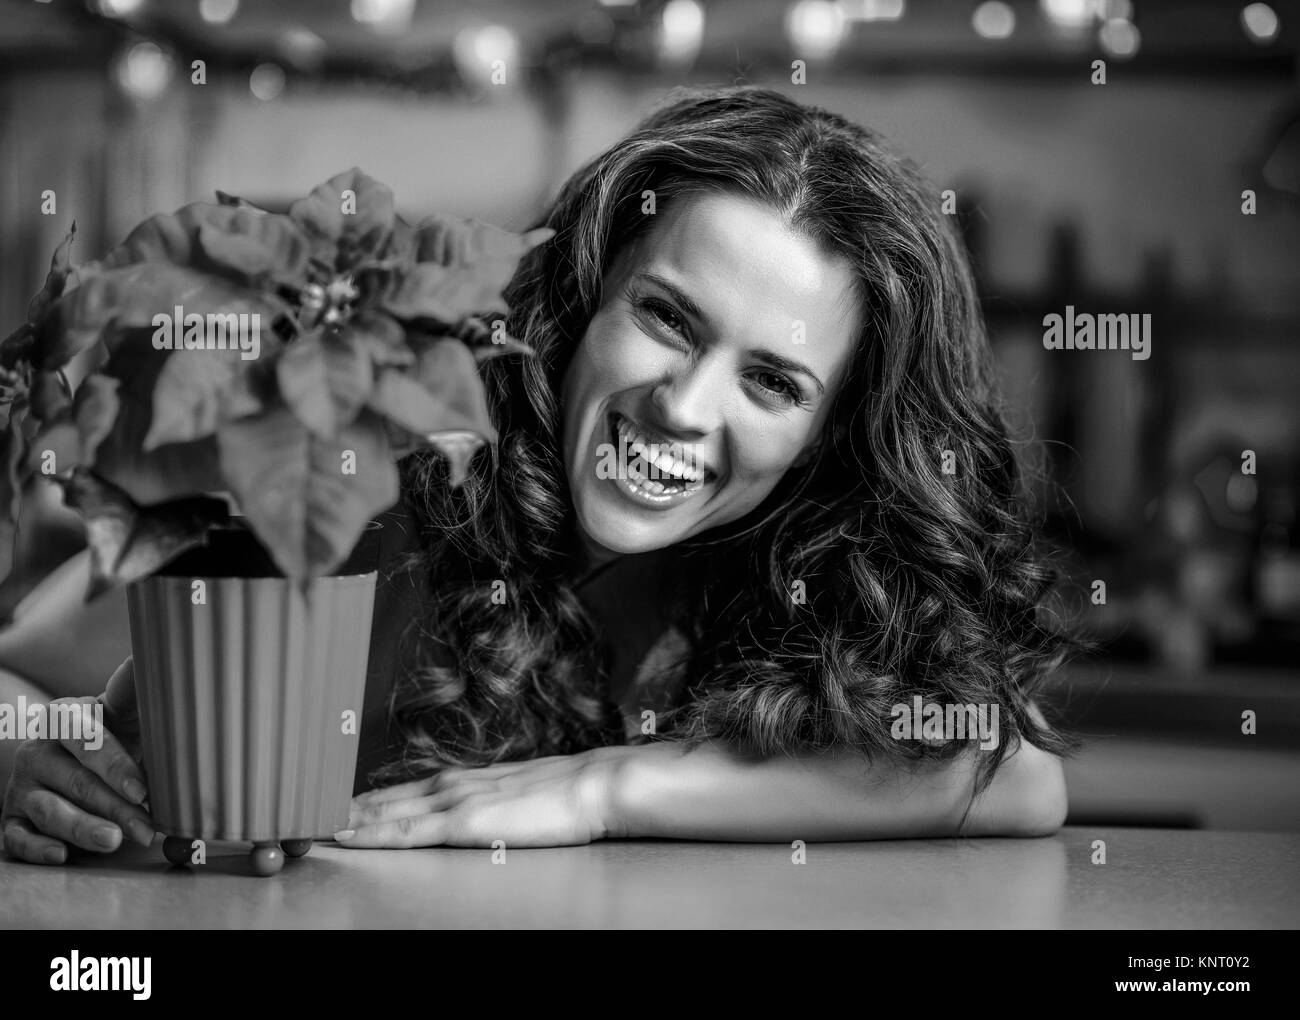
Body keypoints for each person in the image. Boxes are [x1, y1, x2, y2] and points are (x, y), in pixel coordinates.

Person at [1, 85, 1073, 864]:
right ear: (582, 301)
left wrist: (607, 788)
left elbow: (1014, 774)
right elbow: (19, 668)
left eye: (773, 383)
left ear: (829, 436)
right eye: (665, 318)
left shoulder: (785, 567)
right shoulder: (379, 484)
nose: (685, 409)